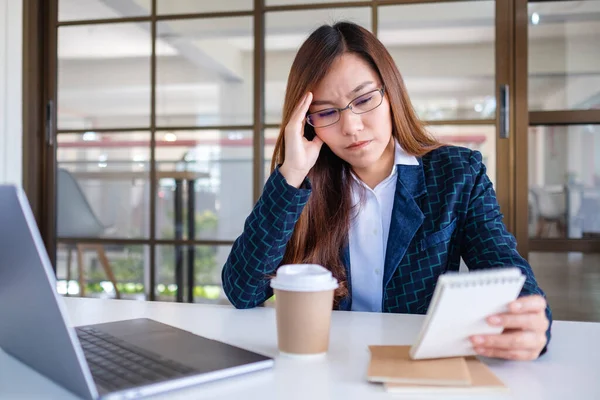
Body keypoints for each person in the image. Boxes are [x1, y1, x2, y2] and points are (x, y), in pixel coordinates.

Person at [222, 21, 551, 361]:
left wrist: (532, 323)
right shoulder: (302, 186)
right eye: (326, 112)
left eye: (363, 99)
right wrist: (291, 174)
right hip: (324, 362)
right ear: (306, 121)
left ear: (390, 92)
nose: (351, 126)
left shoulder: (457, 174)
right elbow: (242, 290)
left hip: (417, 363)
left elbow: (501, 264)